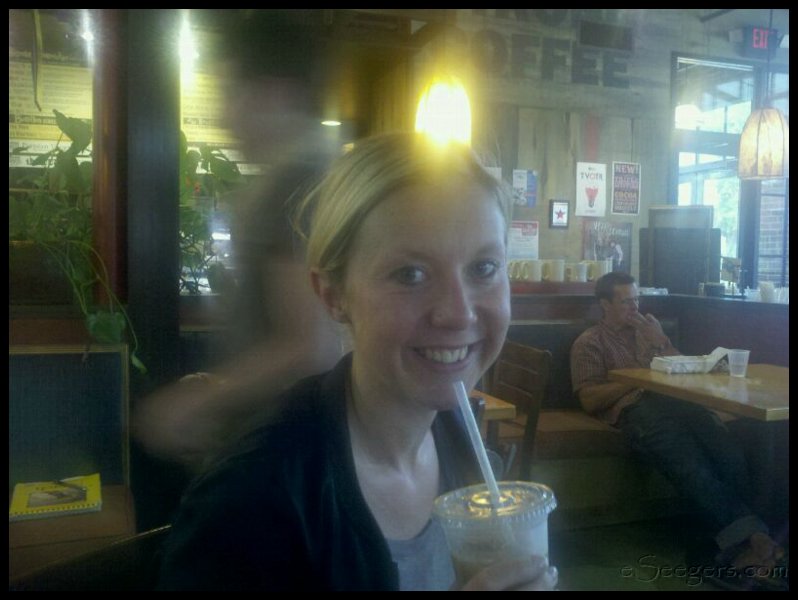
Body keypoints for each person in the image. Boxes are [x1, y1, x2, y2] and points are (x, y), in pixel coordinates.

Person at [156, 132, 559, 591]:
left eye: (484, 268)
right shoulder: (248, 499)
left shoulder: (459, 440)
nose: (458, 313)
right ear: (334, 295)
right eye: (410, 274)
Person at [131, 10, 344, 472]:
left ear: (277, 92)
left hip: (292, 456)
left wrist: (191, 403)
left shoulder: (295, 185)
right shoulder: (323, 175)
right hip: (308, 448)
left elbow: (309, 346)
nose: (224, 116)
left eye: (230, 92)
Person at [570, 272, 783, 576]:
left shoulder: (649, 332)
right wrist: (639, 379)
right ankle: (754, 539)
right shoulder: (590, 342)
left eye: (637, 300)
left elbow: (685, 370)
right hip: (635, 410)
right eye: (626, 302)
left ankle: (750, 533)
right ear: (605, 304)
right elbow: (589, 399)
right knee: (689, 462)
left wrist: (661, 342)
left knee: (725, 447)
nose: (635, 308)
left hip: (675, 402)